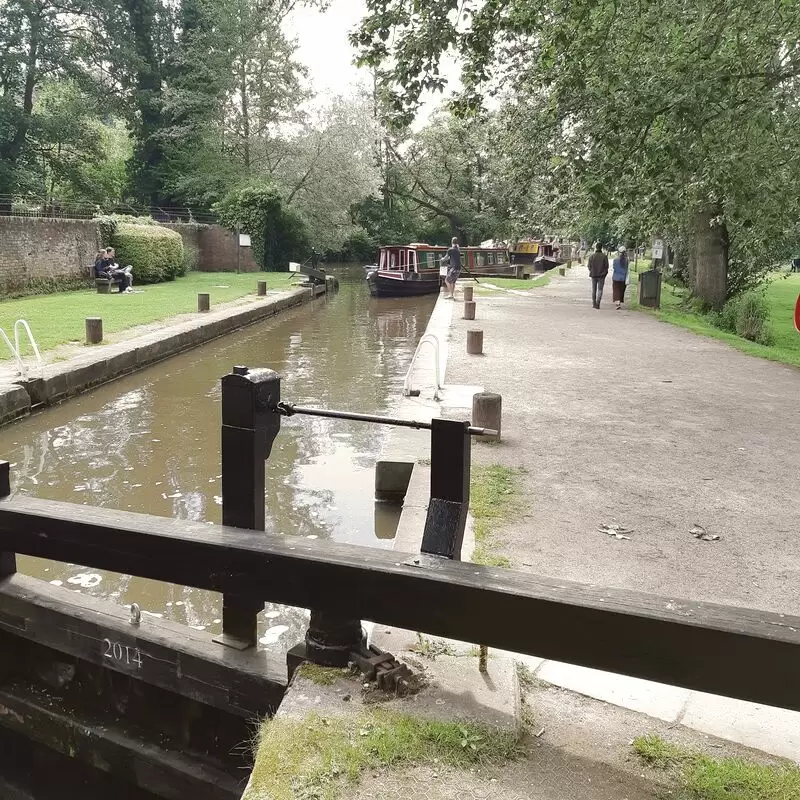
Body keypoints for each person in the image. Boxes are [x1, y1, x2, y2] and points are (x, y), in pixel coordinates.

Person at [587, 241, 609, 309]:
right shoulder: (604, 256)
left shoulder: (591, 256)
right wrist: (604, 273)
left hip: (593, 275)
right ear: (601, 248)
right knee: (600, 289)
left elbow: (589, 266)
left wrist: (592, 270)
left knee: (594, 289)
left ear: (596, 247)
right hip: (601, 276)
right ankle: (598, 303)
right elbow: (606, 266)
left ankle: (594, 303)